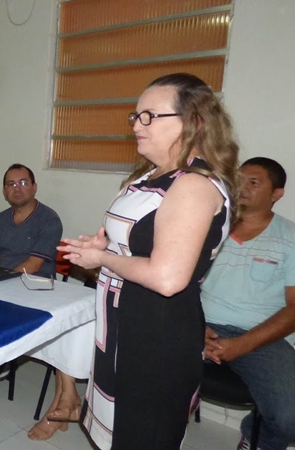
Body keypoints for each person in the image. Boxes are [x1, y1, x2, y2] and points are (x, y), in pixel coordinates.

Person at [58, 73, 239, 449]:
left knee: (142, 435)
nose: (137, 125)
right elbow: (135, 246)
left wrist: (102, 257)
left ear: (194, 122)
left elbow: (167, 277)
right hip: (121, 326)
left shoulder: (192, 185)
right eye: (135, 116)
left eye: (150, 116)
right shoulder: (149, 176)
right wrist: (105, 246)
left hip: (155, 335)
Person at [201, 157, 295, 450]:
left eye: (253, 182)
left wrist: (241, 345)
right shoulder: (208, 228)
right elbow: (179, 283)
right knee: (138, 359)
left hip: (261, 337)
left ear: (276, 194)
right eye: (238, 179)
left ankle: (257, 437)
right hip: (199, 324)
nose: (242, 187)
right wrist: (192, 327)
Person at [0, 163, 74, 440]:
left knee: (64, 328)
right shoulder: (1, 219)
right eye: (10, 184)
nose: (17, 188)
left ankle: (65, 401)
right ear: (4, 191)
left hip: (38, 286)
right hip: (4, 283)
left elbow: (33, 265)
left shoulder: (49, 219)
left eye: (23, 182)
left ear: (34, 187)